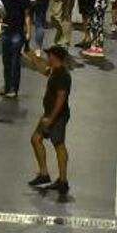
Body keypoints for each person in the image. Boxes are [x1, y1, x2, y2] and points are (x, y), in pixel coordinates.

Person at [25, 44, 73, 197]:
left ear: (54, 56)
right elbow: (44, 69)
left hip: (56, 116)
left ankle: (63, 180)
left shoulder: (62, 76)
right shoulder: (55, 71)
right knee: (36, 139)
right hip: (49, 114)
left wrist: (51, 119)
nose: (47, 57)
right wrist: (33, 58)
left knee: (59, 145)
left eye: (49, 55)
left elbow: (61, 99)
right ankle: (44, 173)